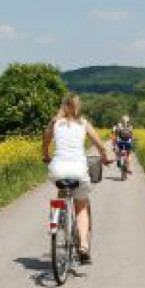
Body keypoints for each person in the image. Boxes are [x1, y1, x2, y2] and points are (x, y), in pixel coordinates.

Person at [42, 93, 109, 262]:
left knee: (61, 189)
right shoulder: (83, 124)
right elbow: (100, 145)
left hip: (57, 170)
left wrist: (46, 156)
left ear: (62, 106)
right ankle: (84, 245)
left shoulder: (54, 123)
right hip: (78, 171)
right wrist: (104, 157)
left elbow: (45, 143)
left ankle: (56, 219)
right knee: (81, 206)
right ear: (77, 107)